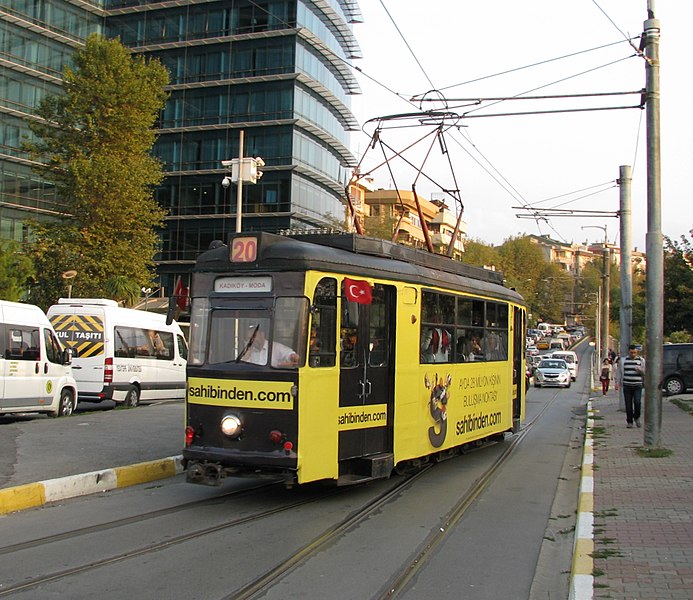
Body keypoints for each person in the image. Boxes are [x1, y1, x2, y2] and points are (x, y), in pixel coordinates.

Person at [617, 344, 645, 428]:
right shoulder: (624, 360)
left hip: (637, 385)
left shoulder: (641, 360)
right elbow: (619, 372)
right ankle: (629, 421)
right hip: (627, 385)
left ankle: (636, 417)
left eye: (635, 353)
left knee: (637, 402)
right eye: (631, 352)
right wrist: (617, 382)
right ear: (629, 352)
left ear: (637, 352)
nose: (633, 354)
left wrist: (640, 371)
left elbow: (645, 372)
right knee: (628, 405)